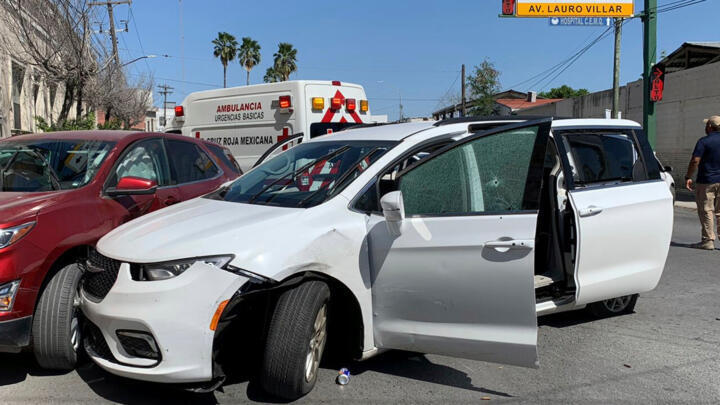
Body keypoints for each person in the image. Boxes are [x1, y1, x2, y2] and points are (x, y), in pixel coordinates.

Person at [685, 115, 720, 250]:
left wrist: (688, 176)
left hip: (707, 181)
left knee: (706, 210)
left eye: (706, 125)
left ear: (710, 127)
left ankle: (708, 240)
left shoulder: (704, 141)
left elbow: (695, 161)